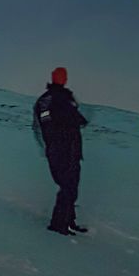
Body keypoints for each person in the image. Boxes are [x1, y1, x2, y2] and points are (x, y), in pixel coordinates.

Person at [32, 66, 88, 236]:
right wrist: (55, 141)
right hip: (59, 150)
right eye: (60, 76)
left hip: (72, 150)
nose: (62, 79)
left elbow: (78, 119)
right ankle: (58, 224)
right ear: (55, 77)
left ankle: (68, 221)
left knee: (72, 187)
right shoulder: (47, 99)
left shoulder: (66, 97)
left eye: (64, 76)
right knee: (67, 186)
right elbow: (45, 123)